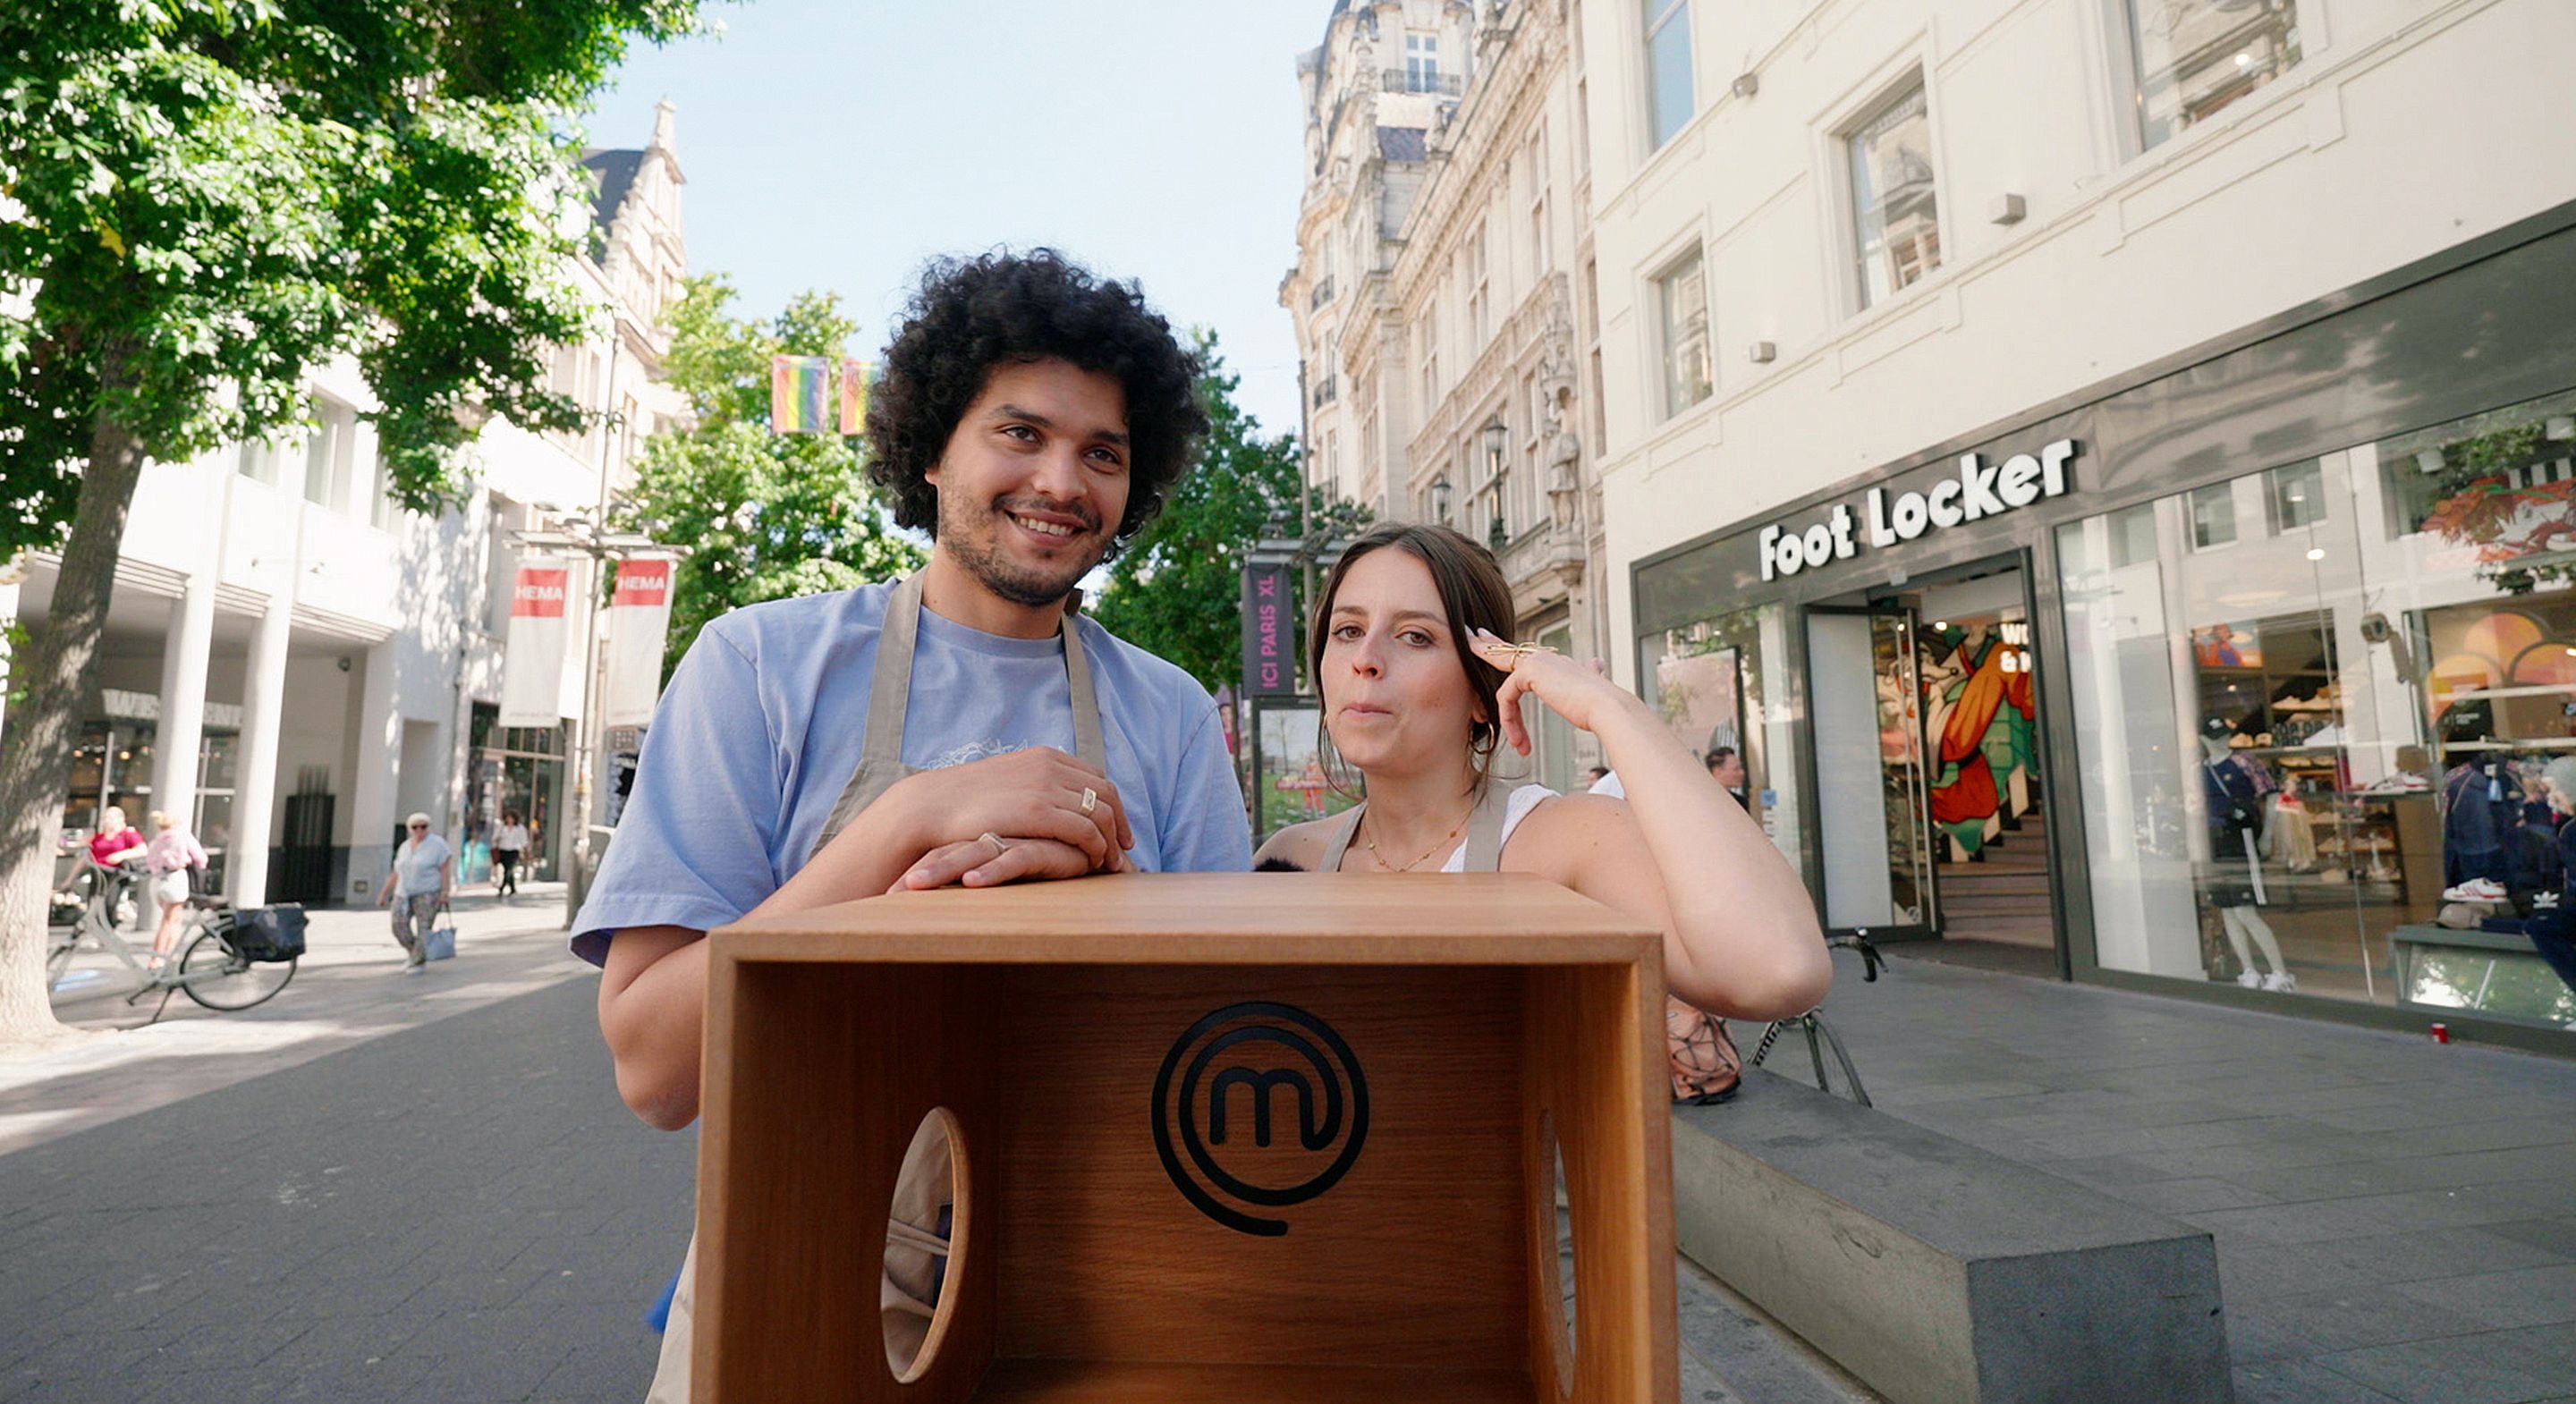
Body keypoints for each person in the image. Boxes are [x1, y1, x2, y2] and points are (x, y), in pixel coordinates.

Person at [579, 250, 1251, 1401]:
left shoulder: (1174, 716)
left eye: (1104, 453)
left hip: (1102, 1290)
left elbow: (1227, 1061)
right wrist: (905, 823)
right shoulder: (759, 667)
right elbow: (655, 1069)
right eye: (1021, 433)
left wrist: (1113, 882)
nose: (1061, 479)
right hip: (794, 1276)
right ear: (933, 448)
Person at [913, 523, 1831, 1024]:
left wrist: (1616, 714)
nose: (1365, 659)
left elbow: (1777, 972)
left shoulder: (1558, 841)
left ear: (1486, 689)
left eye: (1417, 636)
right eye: (1348, 630)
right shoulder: (1286, 860)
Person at [377, 813, 452, 974]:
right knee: (398, 925)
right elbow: (396, 872)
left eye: (423, 826)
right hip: (403, 891)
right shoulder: (405, 847)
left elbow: (444, 869)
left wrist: (445, 891)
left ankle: (418, 961)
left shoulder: (438, 845)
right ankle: (414, 953)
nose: (419, 830)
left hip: (428, 892)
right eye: (415, 827)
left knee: (424, 928)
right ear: (409, 829)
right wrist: (384, 893)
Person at [140, 810, 209, 968]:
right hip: (175, 879)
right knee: (170, 920)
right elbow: (201, 858)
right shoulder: (182, 835)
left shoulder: (156, 840)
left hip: (157, 881)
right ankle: (159, 957)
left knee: (172, 918)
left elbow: (149, 861)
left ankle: (169, 954)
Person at [492, 808, 530, 898]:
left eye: (511, 818)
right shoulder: (502, 827)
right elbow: (495, 837)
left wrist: (527, 851)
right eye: (508, 818)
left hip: (513, 851)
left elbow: (524, 840)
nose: (509, 820)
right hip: (503, 850)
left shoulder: (520, 828)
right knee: (507, 870)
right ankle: (512, 889)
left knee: (509, 870)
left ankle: (501, 888)